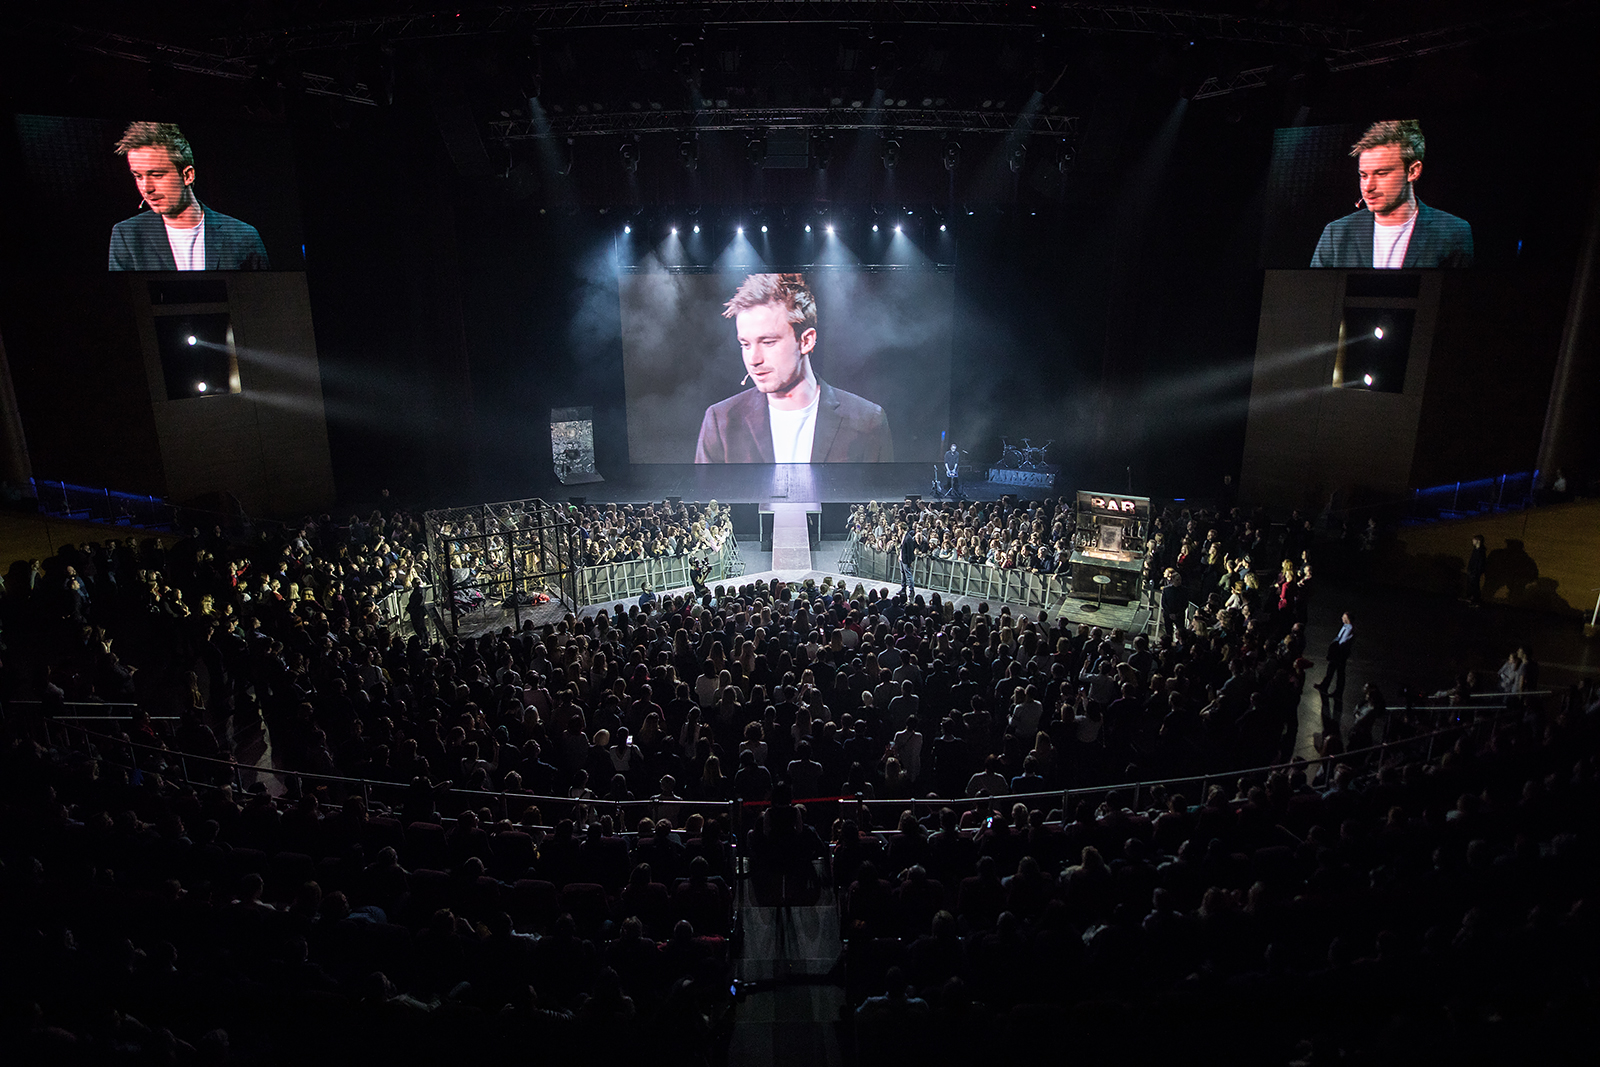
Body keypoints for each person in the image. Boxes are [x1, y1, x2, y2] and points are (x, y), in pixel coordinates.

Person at [694, 273, 894, 463]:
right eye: (745, 344)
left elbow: (882, 495)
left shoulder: (867, 421)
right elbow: (706, 497)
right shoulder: (721, 421)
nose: (753, 359)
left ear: (806, 341)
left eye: (768, 342)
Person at [1309, 120, 1472, 269]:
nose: (1368, 187)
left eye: (1381, 173)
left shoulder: (1453, 232)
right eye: (1364, 175)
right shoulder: (1336, 233)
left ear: (1413, 171)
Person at [108, 122, 270, 271]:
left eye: (157, 175)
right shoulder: (127, 235)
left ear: (188, 175)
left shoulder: (242, 235)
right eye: (138, 176)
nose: (146, 188)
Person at [1314, 611, 1354, 698]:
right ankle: (1324, 685)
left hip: (1341, 653)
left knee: (1339, 672)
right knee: (1331, 669)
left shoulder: (1350, 629)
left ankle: (1338, 691)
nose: (1342, 618)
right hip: (1337, 652)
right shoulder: (1345, 627)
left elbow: (1343, 641)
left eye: (1344, 617)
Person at [1463, 534, 1486, 606]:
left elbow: (1480, 562)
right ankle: (1472, 598)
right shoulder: (1476, 550)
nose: (1472, 541)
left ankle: (1476, 600)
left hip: (1475, 571)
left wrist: (1476, 571)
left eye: (1474, 540)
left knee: (1475, 586)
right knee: (1472, 585)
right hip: (1473, 571)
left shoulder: (1480, 551)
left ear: (1478, 541)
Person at [899, 522, 920, 601]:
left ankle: (911, 590)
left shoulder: (908, 538)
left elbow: (910, 551)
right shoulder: (903, 536)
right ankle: (903, 589)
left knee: (908, 575)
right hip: (902, 558)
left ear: (902, 529)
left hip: (906, 560)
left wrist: (909, 561)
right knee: (903, 575)